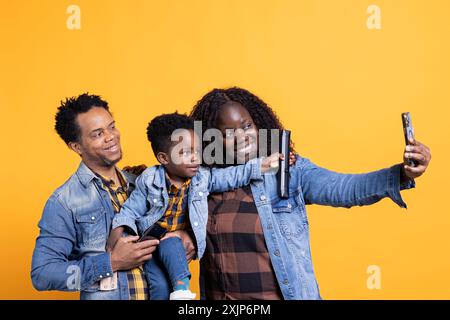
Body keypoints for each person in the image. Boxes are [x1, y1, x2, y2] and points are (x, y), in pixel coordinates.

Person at [189, 87, 431, 300]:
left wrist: (403, 174)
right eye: (229, 133)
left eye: (247, 126)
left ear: (259, 125)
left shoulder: (289, 171)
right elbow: (169, 220)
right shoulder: (200, 184)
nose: (242, 138)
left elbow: (345, 188)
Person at [31, 93, 195, 300]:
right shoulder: (65, 202)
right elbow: (43, 275)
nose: (111, 136)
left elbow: (184, 216)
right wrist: (111, 262)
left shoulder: (145, 182)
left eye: (112, 126)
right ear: (76, 146)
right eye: (98, 134)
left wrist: (189, 237)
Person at [106, 112, 285, 300]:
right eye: (185, 153)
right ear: (163, 158)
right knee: (158, 286)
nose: (195, 158)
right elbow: (130, 210)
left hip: (173, 243)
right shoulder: (149, 179)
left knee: (172, 244)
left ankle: (182, 291)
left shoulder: (202, 178)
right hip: (150, 243)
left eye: (197, 151)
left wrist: (263, 166)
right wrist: (116, 236)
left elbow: (232, 176)